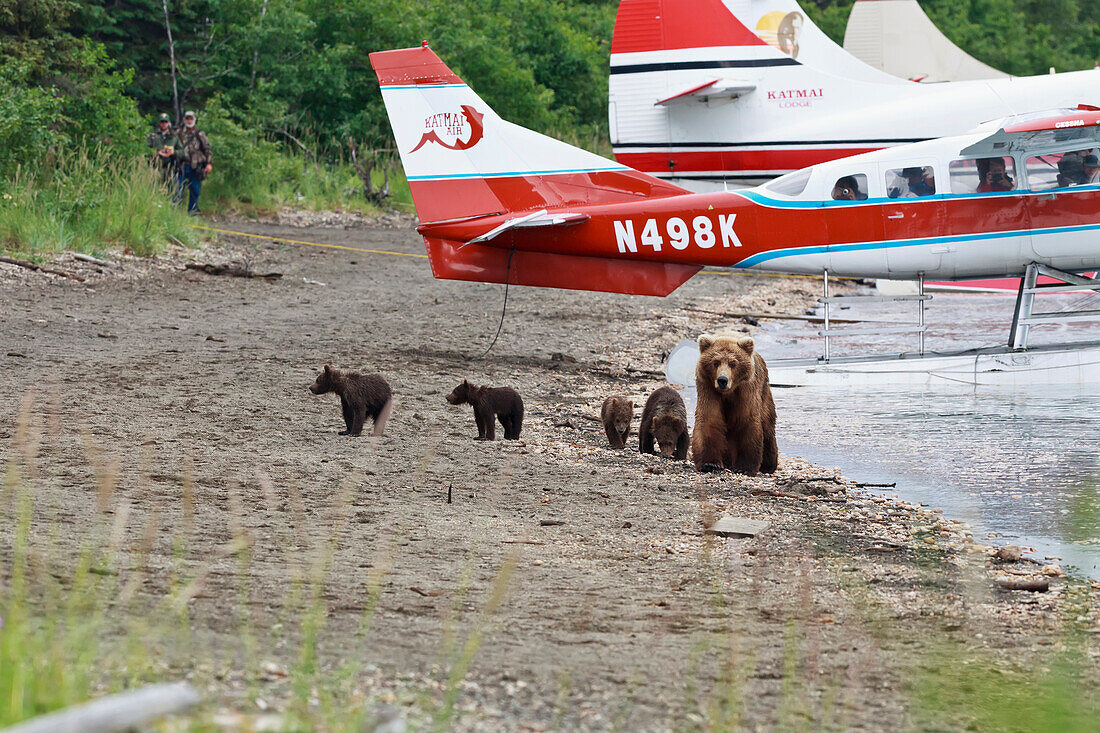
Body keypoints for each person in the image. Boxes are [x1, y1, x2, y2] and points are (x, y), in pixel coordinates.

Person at [176, 110, 213, 214]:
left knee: (195, 191)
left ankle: (192, 212)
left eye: (191, 118)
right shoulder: (177, 133)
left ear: (194, 120)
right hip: (181, 166)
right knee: (177, 190)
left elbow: (207, 149)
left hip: (196, 167)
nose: (189, 121)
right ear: (184, 120)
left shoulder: (200, 134)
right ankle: (175, 214)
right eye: (187, 118)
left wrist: (209, 163)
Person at [146, 113, 182, 186]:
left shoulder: (174, 136)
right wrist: (157, 153)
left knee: (170, 191)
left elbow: (183, 152)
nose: (164, 124)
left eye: (166, 122)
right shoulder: (152, 136)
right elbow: (145, 151)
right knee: (155, 189)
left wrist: (173, 152)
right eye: (162, 122)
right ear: (159, 123)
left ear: (169, 123)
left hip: (170, 169)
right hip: (155, 169)